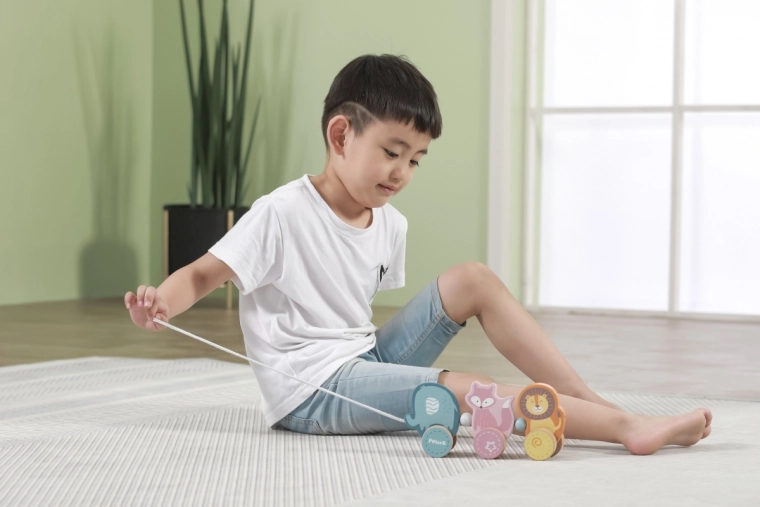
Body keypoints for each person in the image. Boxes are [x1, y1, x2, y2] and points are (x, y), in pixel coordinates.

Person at [125, 54, 711, 455]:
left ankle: (591, 403)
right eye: (392, 152)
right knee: (462, 387)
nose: (402, 172)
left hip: (363, 359)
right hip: (312, 392)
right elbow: (202, 274)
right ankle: (622, 428)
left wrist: (382, 364)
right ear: (340, 136)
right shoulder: (281, 212)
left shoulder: (389, 222)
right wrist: (162, 303)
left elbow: (353, 319)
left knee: (472, 278)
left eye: (416, 160)